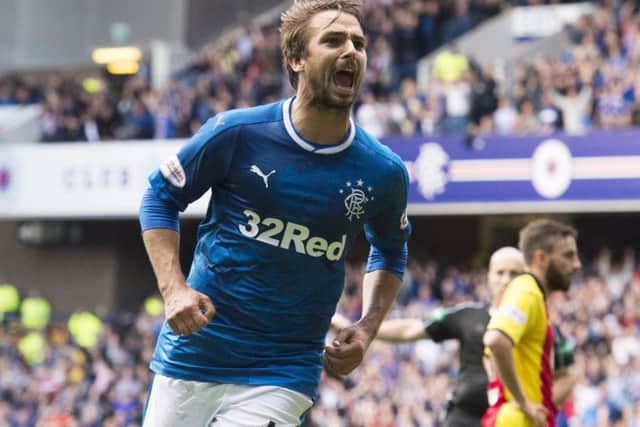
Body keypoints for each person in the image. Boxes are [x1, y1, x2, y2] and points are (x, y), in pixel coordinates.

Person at [138, 1, 411, 426]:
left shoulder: (383, 172)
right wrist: (174, 290)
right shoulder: (236, 133)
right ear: (296, 59)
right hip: (195, 353)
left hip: (283, 371)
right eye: (334, 40)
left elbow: (391, 250)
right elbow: (159, 198)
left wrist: (367, 327)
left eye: (359, 43)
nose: (351, 51)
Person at [332, 247, 524, 426]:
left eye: (514, 273)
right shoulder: (468, 314)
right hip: (464, 418)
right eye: (500, 272)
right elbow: (411, 329)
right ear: (489, 276)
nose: (506, 279)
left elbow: (554, 377)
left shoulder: (541, 324)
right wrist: (361, 328)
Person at [483, 219, 581, 427]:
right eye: (568, 256)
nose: (576, 265)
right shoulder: (525, 291)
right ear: (541, 258)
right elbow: (496, 339)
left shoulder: (534, 296)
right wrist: (523, 402)